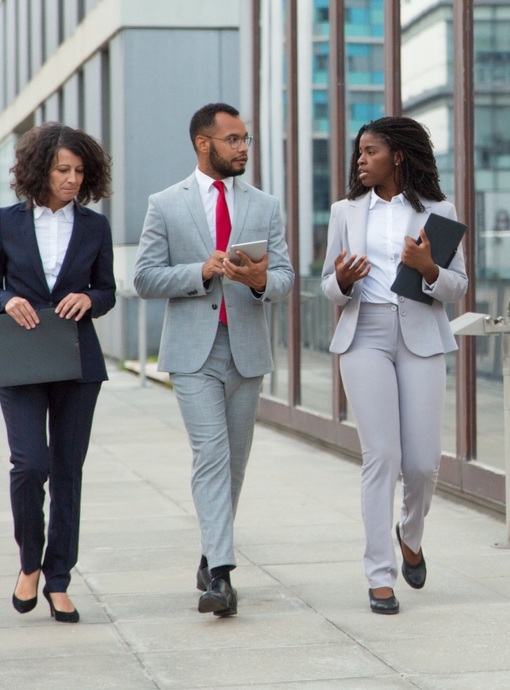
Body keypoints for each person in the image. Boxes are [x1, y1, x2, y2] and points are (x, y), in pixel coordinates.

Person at [133, 102, 294, 616]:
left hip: (246, 349)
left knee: (235, 464)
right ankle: (222, 578)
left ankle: (210, 555)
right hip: (192, 351)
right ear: (205, 143)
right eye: (234, 140)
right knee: (211, 455)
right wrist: (201, 271)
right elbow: (144, 278)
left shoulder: (266, 205)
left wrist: (259, 280)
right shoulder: (165, 203)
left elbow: (286, 279)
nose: (244, 147)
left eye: (246, 139)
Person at [321, 116, 468, 615]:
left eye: (370, 151)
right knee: (380, 456)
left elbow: (458, 285)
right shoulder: (345, 211)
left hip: (420, 333)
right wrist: (340, 279)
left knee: (423, 464)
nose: (360, 160)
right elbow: (326, 284)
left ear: (397, 156)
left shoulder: (439, 211)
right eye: (358, 152)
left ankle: (411, 531)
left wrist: (429, 270)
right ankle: (379, 576)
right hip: (364, 335)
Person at [0, 122, 116, 623]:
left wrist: (90, 298)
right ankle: (28, 564)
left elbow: (108, 291)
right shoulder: (6, 222)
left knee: (67, 474)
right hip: (21, 358)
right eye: (63, 169)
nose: (73, 179)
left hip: (78, 361)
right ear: (40, 170)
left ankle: (58, 579)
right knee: (30, 465)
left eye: (80, 171)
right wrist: (9, 299)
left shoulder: (95, 227)